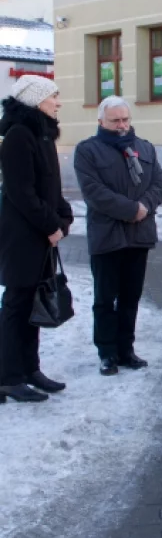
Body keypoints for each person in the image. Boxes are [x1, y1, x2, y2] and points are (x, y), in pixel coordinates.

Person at [74, 96, 162, 376]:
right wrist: (131, 210)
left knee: (130, 296)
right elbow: (94, 192)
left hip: (139, 235)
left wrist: (145, 206)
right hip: (107, 237)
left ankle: (126, 350)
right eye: (115, 121)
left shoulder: (144, 147)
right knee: (105, 298)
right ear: (101, 121)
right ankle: (107, 353)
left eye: (125, 119)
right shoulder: (88, 151)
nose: (122, 125)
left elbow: (159, 184)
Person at [0, 75, 73, 403]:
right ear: (34, 100)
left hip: (40, 236)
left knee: (35, 305)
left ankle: (30, 370)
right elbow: (21, 193)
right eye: (53, 96)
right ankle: (8, 377)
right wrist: (50, 225)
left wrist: (63, 217)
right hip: (21, 237)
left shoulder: (42, 135)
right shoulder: (19, 136)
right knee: (17, 306)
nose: (58, 102)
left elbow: (51, 188)